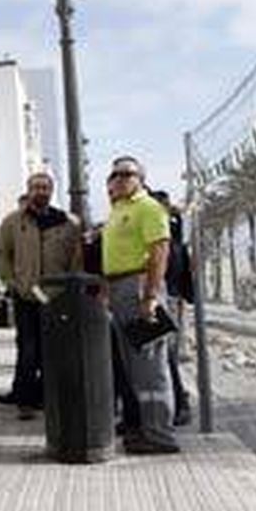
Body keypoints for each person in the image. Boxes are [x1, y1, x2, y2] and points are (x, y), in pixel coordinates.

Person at [102, 156, 179, 454]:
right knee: (135, 368)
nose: (119, 179)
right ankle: (147, 428)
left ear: (140, 179)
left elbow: (159, 252)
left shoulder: (148, 208)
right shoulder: (119, 209)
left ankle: (160, 435)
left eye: (127, 174)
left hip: (138, 287)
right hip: (120, 289)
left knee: (150, 367)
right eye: (115, 175)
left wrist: (150, 297)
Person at [0, 171, 82, 420]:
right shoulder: (13, 221)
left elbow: (77, 258)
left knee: (55, 350)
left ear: (51, 191)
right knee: (28, 351)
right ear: (28, 190)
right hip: (27, 296)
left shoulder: (68, 223)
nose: (40, 191)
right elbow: (1, 253)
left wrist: (69, 286)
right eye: (36, 187)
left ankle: (50, 397)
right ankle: (26, 401)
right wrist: (11, 282)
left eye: (45, 187)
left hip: (57, 297)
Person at [151, 188, 195, 427]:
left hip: (165, 300)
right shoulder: (171, 237)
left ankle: (179, 404)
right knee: (161, 358)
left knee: (165, 357)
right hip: (165, 299)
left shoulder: (168, 240)